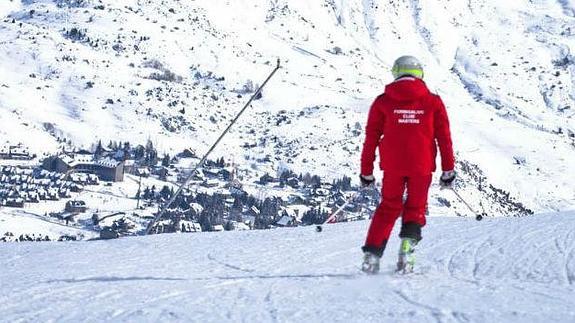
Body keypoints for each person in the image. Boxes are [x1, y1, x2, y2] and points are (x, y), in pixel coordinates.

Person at [359, 56, 456, 274]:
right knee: (415, 207)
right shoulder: (433, 102)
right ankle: (407, 252)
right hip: (421, 166)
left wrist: (366, 172)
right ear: (419, 74)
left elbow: (371, 139)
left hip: (392, 165)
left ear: (396, 73)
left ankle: (371, 256)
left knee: (388, 207)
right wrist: (448, 170)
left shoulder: (383, 102)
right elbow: (444, 138)